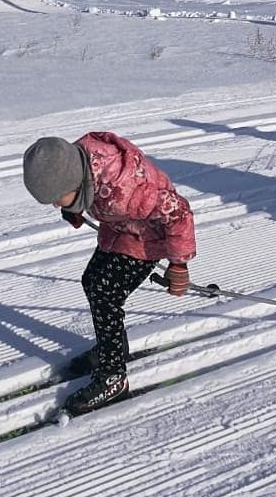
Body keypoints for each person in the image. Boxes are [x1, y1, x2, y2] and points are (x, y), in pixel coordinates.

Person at [22, 132, 196, 414]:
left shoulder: (127, 190)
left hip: (148, 237)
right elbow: (89, 192)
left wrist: (179, 264)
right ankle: (113, 347)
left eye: (57, 198)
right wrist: (76, 207)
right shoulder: (79, 164)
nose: (56, 205)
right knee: (92, 282)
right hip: (120, 227)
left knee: (105, 294)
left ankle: (114, 376)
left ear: (74, 181)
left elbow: (179, 213)